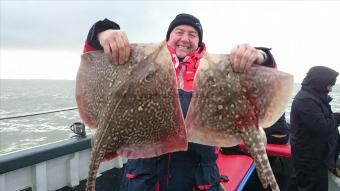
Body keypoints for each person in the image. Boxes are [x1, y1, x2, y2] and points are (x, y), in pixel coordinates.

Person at [83, 13, 276, 191]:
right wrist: (103, 32)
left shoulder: (215, 72)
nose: (185, 38)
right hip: (145, 177)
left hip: (198, 178)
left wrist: (260, 56)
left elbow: (267, 76)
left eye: (192, 34)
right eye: (179, 32)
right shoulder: (142, 64)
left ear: (199, 41)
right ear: (168, 37)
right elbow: (96, 57)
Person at [290, 66, 340, 191]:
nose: (330, 88)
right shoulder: (305, 100)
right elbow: (322, 126)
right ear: (320, 82)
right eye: (329, 85)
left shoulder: (315, 96)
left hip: (318, 155)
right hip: (309, 158)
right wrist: (338, 117)